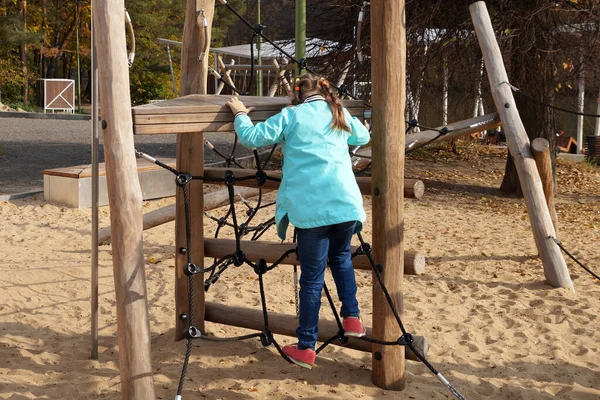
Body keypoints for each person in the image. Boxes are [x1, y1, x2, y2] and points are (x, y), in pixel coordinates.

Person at [225, 74, 371, 369]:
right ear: (325, 92)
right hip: (345, 205)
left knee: (312, 279)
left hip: (311, 209)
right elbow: (364, 137)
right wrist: (343, 112)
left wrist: (240, 113)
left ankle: (306, 346)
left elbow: (252, 138)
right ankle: (352, 317)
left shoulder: (291, 115)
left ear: (297, 94)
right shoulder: (339, 113)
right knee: (342, 257)